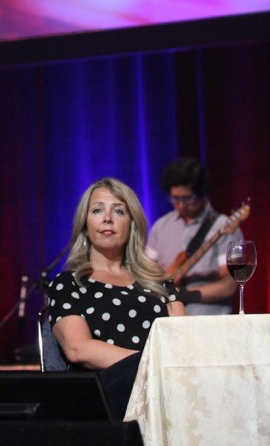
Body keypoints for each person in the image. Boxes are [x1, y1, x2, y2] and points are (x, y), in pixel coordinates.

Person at [47, 177, 185, 419]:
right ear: (85, 224)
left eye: (119, 211)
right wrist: (150, 364)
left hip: (166, 395)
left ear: (132, 224)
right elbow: (78, 349)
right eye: (97, 210)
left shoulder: (160, 282)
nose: (107, 218)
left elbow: (183, 342)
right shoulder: (69, 284)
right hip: (105, 401)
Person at [147, 157, 242, 315]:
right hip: (168, 319)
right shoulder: (161, 226)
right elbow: (146, 273)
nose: (181, 205)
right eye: (175, 198)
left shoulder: (223, 226)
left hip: (209, 319)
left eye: (187, 198)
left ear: (201, 194)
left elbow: (229, 286)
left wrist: (185, 295)